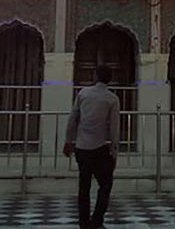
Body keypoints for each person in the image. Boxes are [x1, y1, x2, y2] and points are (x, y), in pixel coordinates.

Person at [64, 64, 120, 229]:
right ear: (109, 79)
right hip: (98, 148)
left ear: (95, 76)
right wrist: (114, 152)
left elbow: (73, 118)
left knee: (84, 186)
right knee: (105, 184)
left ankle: (84, 223)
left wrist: (68, 141)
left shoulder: (83, 93)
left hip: (82, 147)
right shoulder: (111, 98)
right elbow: (114, 129)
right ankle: (96, 221)